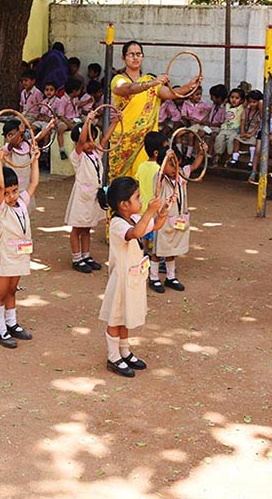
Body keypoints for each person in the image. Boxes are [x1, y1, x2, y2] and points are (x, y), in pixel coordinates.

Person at [99, 176, 168, 377]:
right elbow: (135, 233)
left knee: (126, 316)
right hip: (121, 280)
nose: (141, 200)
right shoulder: (117, 224)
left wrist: (162, 212)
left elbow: (155, 225)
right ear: (124, 204)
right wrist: (149, 211)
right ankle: (113, 356)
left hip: (134, 278)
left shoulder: (135, 218)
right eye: (137, 197)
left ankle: (124, 351)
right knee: (116, 317)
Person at [108, 40, 201, 183]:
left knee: (146, 180)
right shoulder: (118, 80)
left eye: (138, 54)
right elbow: (128, 88)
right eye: (131, 54)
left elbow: (170, 93)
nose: (135, 57)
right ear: (123, 58)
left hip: (147, 141)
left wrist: (189, 86)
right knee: (121, 183)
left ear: (143, 57)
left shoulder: (151, 81)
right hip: (123, 140)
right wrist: (150, 84)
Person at [0, 141, 40, 349]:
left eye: (15, 191)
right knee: (0, 294)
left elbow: (34, 183)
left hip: (20, 255)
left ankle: (12, 323)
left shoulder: (21, 203)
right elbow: (0, 187)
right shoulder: (0, 208)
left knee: (12, 291)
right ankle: (1, 329)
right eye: (7, 193)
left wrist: (35, 160)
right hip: (6, 256)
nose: (11, 196)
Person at [151, 141, 207, 293]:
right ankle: (154, 277)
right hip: (163, 220)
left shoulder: (181, 174)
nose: (174, 168)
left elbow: (194, 166)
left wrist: (202, 152)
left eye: (176, 163)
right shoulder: (159, 178)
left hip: (177, 220)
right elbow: (161, 174)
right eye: (170, 165)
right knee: (157, 250)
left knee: (172, 250)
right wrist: (165, 161)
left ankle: (170, 277)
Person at [65, 112, 109, 274]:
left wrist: (116, 122)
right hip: (82, 198)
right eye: (88, 141)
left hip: (93, 197)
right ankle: (77, 258)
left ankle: (86, 255)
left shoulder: (96, 154)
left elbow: (105, 139)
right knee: (77, 228)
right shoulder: (77, 157)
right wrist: (88, 121)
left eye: (93, 140)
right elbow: (82, 141)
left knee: (87, 228)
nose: (91, 144)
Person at [229, 90, 263, 168]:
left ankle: (251, 161)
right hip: (245, 131)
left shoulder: (259, 113)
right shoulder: (246, 110)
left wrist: (251, 134)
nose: (252, 104)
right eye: (250, 102)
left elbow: (258, 125)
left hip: (253, 133)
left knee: (253, 142)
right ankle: (235, 158)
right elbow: (243, 122)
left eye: (254, 102)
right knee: (236, 140)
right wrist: (242, 132)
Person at [213, 88, 244, 166]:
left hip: (235, 129)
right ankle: (217, 156)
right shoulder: (227, 106)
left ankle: (229, 157)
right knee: (219, 138)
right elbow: (225, 101)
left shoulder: (241, 108)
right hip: (225, 128)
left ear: (241, 100)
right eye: (232, 97)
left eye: (237, 98)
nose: (234, 100)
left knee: (231, 140)